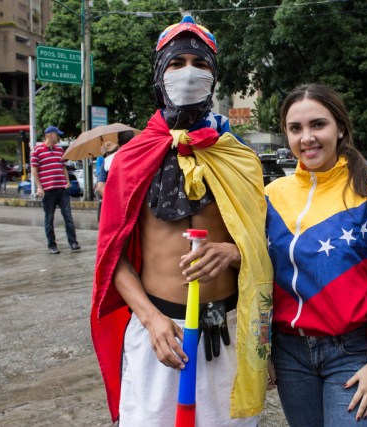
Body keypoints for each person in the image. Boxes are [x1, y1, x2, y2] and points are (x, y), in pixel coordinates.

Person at [90, 16, 272, 427]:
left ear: (214, 76)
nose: (188, 72)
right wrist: (152, 321)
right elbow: (112, 259)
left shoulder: (240, 159)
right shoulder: (129, 159)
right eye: (177, 63)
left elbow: (263, 249)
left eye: (199, 63)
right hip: (159, 334)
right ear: (159, 74)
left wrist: (233, 251)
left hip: (225, 331)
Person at [264, 84, 367, 426]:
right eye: (296, 128)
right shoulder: (272, 196)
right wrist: (265, 350)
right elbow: (260, 280)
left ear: (341, 128)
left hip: (350, 354)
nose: (307, 138)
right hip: (290, 354)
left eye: (318, 124)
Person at [30, 126, 81, 254]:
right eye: (57, 135)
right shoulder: (37, 150)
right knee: (49, 218)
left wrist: (67, 181)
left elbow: (63, 166)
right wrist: (40, 187)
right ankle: (51, 244)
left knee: (68, 216)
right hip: (48, 190)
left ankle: (73, 242)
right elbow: (34, 170)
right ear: (49, 135)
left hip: (62, 189)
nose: (58, 137)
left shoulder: (59, 149)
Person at [94, 130, 135, 221]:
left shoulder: (107, 161)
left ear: (118, 144)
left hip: (115, 208)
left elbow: (100, 187)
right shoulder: (140, 157)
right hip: (136, 207)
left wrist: (115, 203)